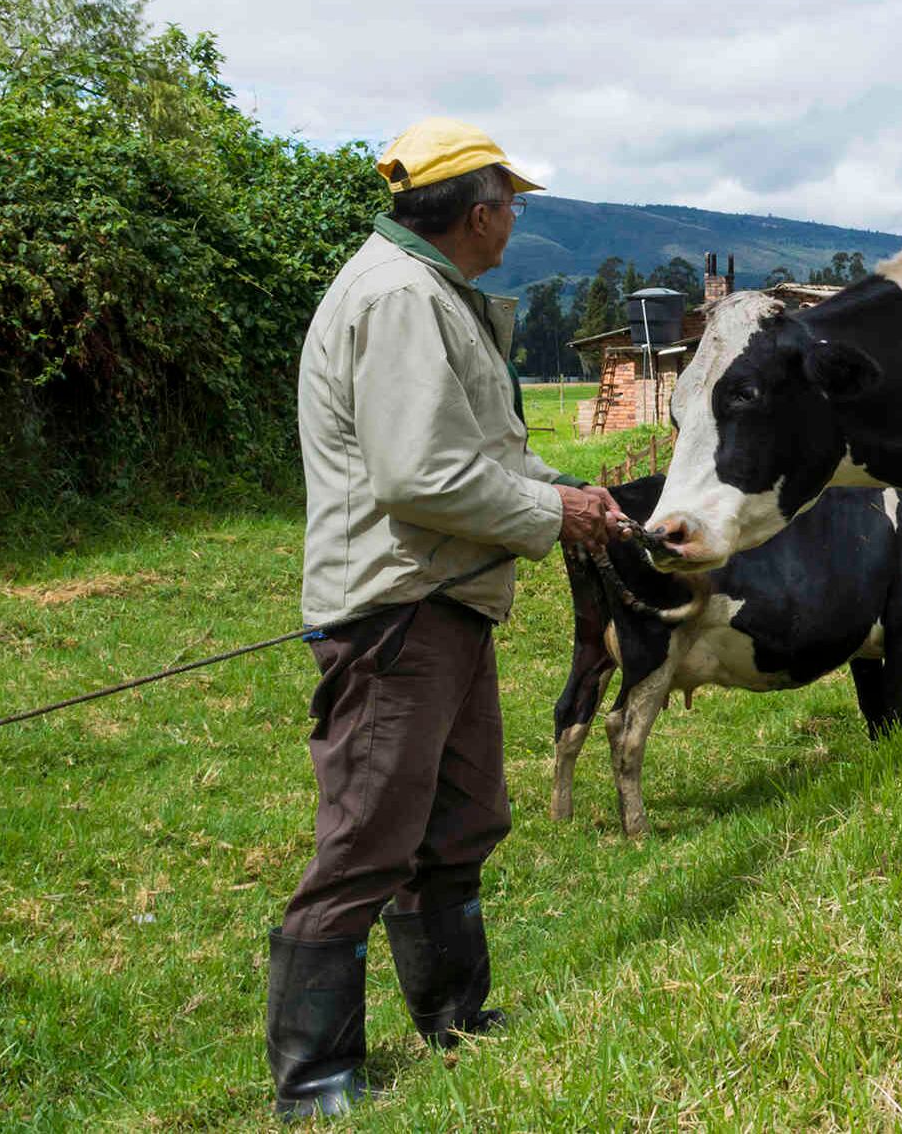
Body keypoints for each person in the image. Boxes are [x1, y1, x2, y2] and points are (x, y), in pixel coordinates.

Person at [267, 118, 623, 1119]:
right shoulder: (398, 298)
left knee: (460, 821)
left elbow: (480, 452)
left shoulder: (433, 293)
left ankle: (455, 1021)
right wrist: (553, 513)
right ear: (478, 212)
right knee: (369, 837)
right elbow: (418, 473)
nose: (514, 221)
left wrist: (572, 496)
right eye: (511, 203)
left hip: (446, 601)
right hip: (395, 607)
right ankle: (316, 1078)